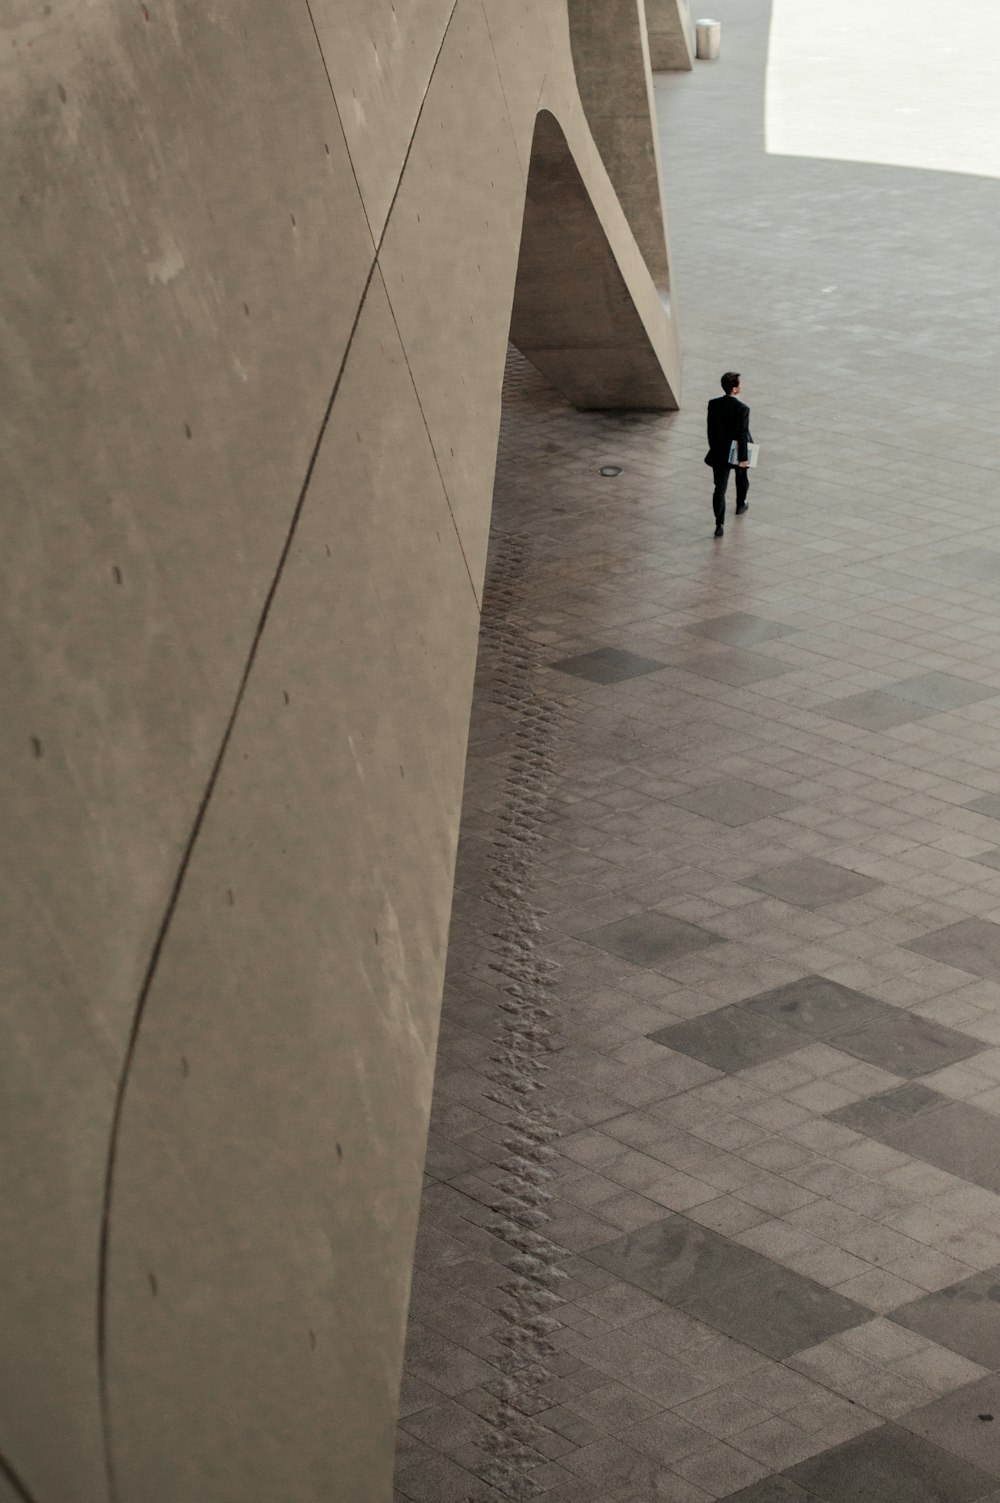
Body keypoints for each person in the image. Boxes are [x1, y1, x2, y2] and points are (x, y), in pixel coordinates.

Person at [705, 372, 752, 537]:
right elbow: (742, 435)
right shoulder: (743, 409)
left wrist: (715, 448)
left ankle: (719, 523)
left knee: (719, 488)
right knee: (742, 477)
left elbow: (710, 431)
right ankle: (741, 503)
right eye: (739, 384)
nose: (741, 386)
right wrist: (743, 459)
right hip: (736, 452)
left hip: (719, 453)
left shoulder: (713, 404)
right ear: (734, 389)